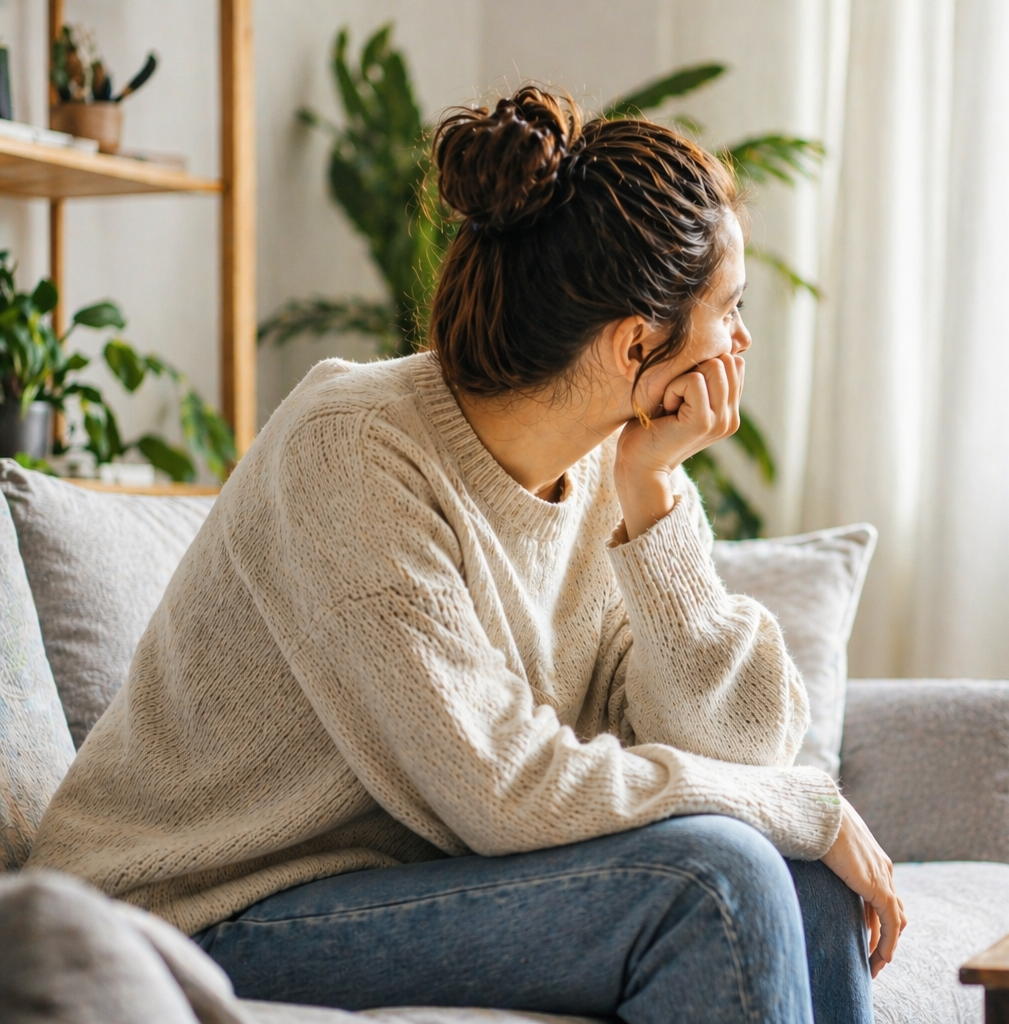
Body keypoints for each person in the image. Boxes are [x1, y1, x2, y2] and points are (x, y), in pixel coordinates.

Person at [27, 86, 905, 1024]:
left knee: (805, 883)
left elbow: (739, 746)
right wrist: (795, 807)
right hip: (188, 912)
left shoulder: (609, 475)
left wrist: (656, 499)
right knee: (718, 879)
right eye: (729, 308)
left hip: (373, 889)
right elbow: (505, 789)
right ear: (636, 344)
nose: (741, 340)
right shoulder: (353, 448)